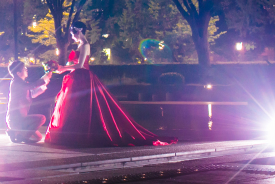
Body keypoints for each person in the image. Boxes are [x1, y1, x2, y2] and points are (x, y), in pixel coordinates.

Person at [45, 21, 177, 147]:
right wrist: (62, 68)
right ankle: (74, 134)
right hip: (76, 78)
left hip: (82, 78)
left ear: (79, 31)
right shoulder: (80, 45)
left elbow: (80, 65)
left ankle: (80, 135)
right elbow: (74, 65)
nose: (72, 36)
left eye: (73, 33)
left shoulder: (85, 45)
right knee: (74, 107)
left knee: (81, 107)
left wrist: (63, 67)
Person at [6, 60, 52, 143]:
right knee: (42, 118)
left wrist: (46, 81)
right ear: (18, 73)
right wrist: (46, 76)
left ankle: (15, 133)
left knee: (38, 137)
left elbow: (33, 93)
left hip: (20, 119)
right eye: (24, 68)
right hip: (16, 119)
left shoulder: (21, 83)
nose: (26, 69)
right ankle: (20, 135)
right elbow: (33, 86)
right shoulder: (16, 82)